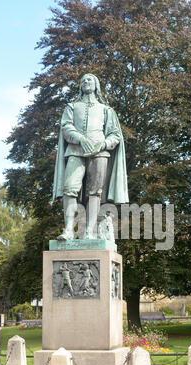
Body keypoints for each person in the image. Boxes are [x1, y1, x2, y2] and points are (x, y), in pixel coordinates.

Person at [52, 73, 129, 240]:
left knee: (95, 193)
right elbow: (66, 127)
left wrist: (103, 144)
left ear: (96, 85)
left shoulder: (106, 110)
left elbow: (115, 135)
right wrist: (80, 138)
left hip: (100, 151)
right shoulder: (71, 107)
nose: (87, 82)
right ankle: (68, 230)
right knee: (69, 189)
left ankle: (89, 232)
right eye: (84, 80)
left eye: (90, 80)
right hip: (75, 150)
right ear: (80, 86)